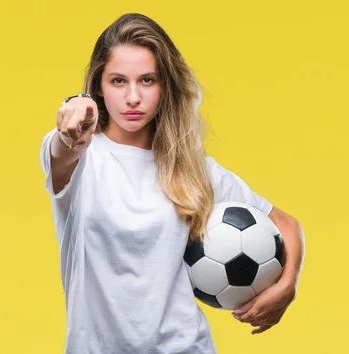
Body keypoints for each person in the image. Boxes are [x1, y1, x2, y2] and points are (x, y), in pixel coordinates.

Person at [39, 13, 305, 354]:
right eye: (118, 81)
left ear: (165, 86)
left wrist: (288, 284)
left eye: (147, 80)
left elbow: (287, 225)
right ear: (99, 87)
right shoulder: (80, 157)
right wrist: (72, 117)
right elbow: (62, 147)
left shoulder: (194, 169)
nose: (133, 97)